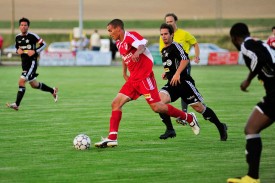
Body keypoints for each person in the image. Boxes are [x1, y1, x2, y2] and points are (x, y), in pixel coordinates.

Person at [94, 19, 200, 148]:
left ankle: (189, 118)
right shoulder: (118, 43)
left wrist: (138, 52)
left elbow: (142, 46)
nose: (109, 33)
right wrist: (124, 72)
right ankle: (112, 138)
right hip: (133, 79)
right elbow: (124, 57)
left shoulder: (130, 35)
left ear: (118, 28)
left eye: (110, 30)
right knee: (116, 103)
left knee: (157, 107)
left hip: (145, 77)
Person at [159, 23, 227, 141]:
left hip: (184, 83)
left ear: (172, 34)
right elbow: (171, 65)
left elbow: (185, 60)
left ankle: (220, 126)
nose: (164, 36)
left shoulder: (176, 46)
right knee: (159, 103)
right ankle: (170, 129)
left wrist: (177, 73)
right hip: (172, 84)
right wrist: (167, 73)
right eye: (161, 34)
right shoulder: (164, 50)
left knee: (200, 109)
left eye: (166, 34)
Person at [227, 23, 275, 183]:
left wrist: (248, 80)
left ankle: (252, 177)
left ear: (234, 38)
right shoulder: (259, 42)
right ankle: (252, 177)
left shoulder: (245, 45)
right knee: (251, 128)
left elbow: (261, 59)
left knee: (251, 128)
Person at [159, 13, 201, 139]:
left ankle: (185, 113)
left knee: (184, 88)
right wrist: (167, 71)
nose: (169, 23)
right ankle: (176, 124)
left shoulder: (183, 34)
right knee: (160, 101)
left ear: (175, 21)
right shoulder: (164, 35)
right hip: (172, 70)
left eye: (171, 21)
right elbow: (166, 55)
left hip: (184, 64)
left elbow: (195, 43)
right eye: (167, 21)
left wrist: (197, 56)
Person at [6, 17, 58, 111]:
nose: (23, 27)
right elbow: (17, 48)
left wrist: (35, 51)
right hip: (24, 63)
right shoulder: (17, 37)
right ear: (19, 26)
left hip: (32, 63)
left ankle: (17, 104)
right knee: (34, 85)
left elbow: (44, 44)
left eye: (25, 25)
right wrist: (17, 51)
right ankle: (52, 90)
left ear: (28, 27)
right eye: (22, 25)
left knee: (21, 81)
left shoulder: (33, 36)